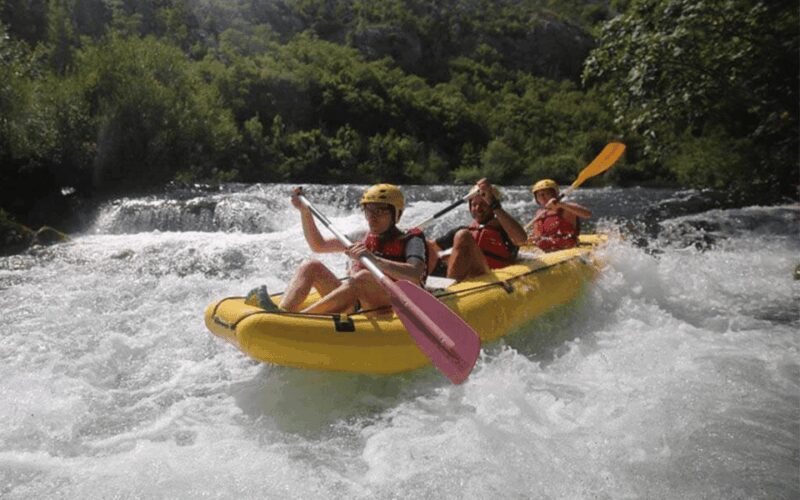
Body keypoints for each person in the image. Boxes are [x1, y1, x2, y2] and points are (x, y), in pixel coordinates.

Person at [245, 184, 427, 315]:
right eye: (368, 211)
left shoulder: (411, 239)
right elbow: (318, 245)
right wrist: (304, 211)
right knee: (311, 266)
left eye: (380, 211)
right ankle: (283, 312)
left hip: (390, 306)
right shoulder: (361, 237)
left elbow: (415, 273)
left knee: (363, 277)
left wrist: (374, 260)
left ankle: (302, 319)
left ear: (397, 214)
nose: (372, 217)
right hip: (353, 302)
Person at [429, 178, 527, 281]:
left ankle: (449, 291)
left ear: (493, 205)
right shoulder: (466, 229)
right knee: (424, 244)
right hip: (470, 278)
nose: (478, 209)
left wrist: (493, 202)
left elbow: (521, 239)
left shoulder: (505, 229)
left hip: (493, 276)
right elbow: (433, 246)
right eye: (474, 205)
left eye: (484, 204)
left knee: (463, 236)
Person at [527, 179, 592, 252]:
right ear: (536, 199)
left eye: (547, 193)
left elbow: (587, 214)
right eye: (539, 195)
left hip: (566, 249)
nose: (543, 197)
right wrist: (533, 239)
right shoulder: (539, 213)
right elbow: (538, 236)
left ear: (554, 194)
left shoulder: (566, 209)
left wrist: (561, 204)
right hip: (545, 250)